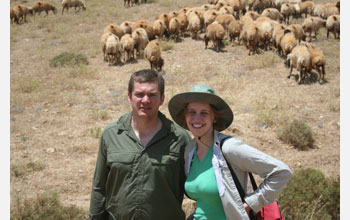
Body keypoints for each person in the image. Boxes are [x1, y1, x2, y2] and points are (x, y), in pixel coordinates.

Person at [168, 84, 292, 220]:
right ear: (185, 116)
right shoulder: (190, 150)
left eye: (204, 113)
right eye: (191, 112)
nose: (197, 118)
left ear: (214, 117)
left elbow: (281, 171)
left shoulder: (229, 148)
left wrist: (250, 204)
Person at [89, 69, 191, 220]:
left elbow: (196, 187)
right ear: (129, 97)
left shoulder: (179, 138)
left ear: (162, 98)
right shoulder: (111, 135)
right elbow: (99, 186)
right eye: (139, 94)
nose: (145, 100)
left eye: (152, 95)